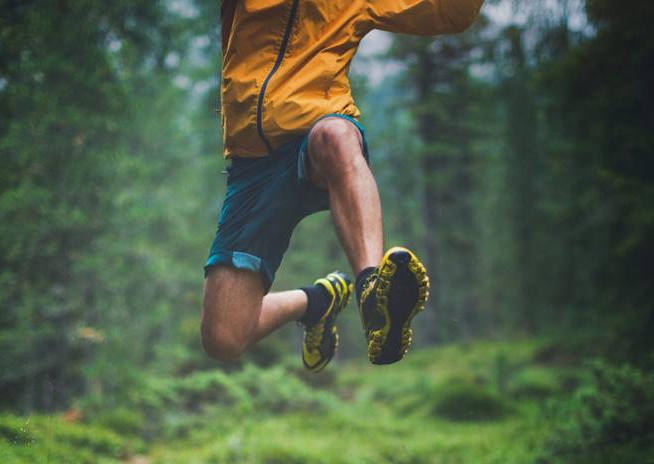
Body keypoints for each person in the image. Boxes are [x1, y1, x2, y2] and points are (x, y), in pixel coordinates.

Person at [201, 0, 483, 371]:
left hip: (316, 140)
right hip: (252, 167)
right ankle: (317, 301)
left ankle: (371, 288)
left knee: (334, 133)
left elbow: (451, 12)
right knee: (223, 337)